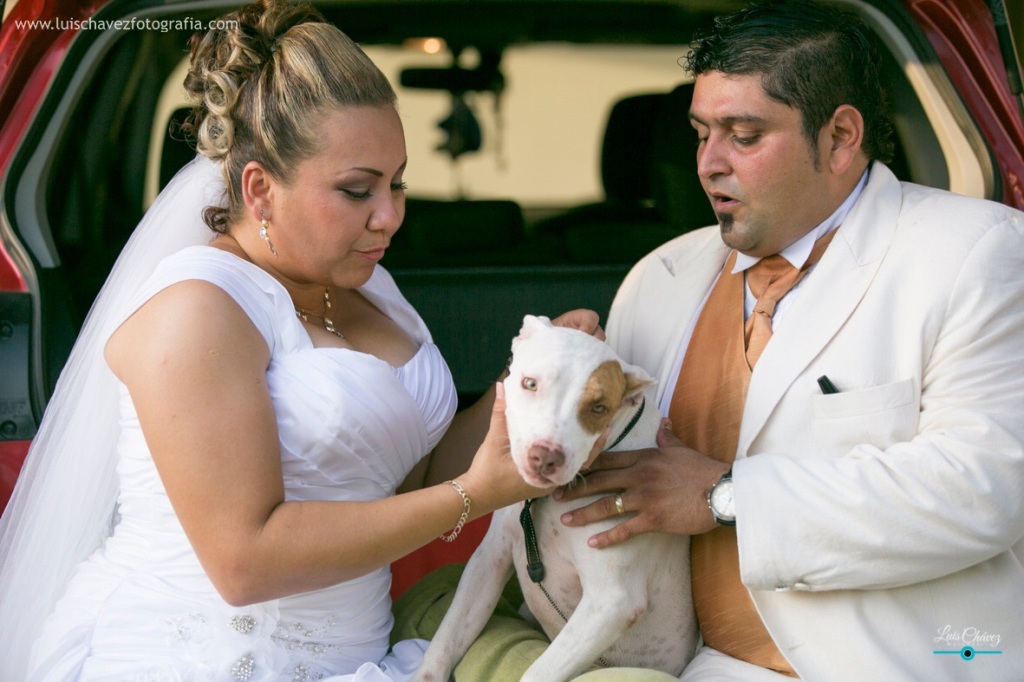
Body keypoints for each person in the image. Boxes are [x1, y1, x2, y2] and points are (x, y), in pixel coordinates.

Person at [0, 1, 603, 679]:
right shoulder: (199, 310)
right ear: (260, 189)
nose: (391, 216)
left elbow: (408, 480)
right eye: (357, 190)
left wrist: (531, 383)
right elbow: (243, 561)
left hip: (359, 657)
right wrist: (476, 496)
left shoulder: (372, 289)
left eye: (398, 183)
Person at [556, 0, 1024, 679]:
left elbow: (984, 492)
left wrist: (724, 496)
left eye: (743, 135)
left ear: (839, 138)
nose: (709, 163)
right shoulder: (654, 280)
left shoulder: (978, 252)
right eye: (699, 133)